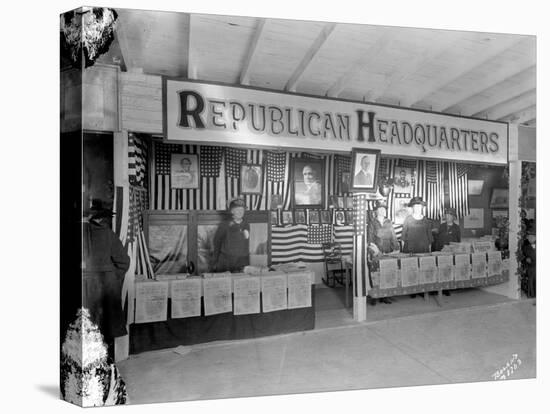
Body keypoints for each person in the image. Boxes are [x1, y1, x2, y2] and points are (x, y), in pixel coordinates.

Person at [82, 199, 130, 359]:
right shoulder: (108, 234)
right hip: (106, 286)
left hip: (85, 286)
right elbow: (123, 262)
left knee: (86, 323)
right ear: (103, 218)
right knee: (106, 325)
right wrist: (112, 277)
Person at [367, 200, 400, 304]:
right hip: (376, 252)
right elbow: (370, 239)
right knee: (375, 274)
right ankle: (374, 296)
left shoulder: (388, 222)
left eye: (384, 209)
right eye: (380, 209)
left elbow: (393, 236)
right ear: (376, 211)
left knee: (386, 273)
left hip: (388, 251)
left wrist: (396, 248)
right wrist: (374, 251)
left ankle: (385, 296)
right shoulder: (372, 223)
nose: (382, 211)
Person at [213, 198, 250, 272]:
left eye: (242, 210)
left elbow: (246, 242)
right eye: (237, 210)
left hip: (242, 261)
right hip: (227, 261)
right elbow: (216, 242)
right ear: (232, 211)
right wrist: (215, 261)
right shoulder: (224, 224)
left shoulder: (246, 224)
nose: (240, 212)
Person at [433, 207, 461, 296]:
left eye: (450, 215)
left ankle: (446, 288)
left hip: (450, 253)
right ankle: (437, 288)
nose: (447, 216)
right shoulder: (441, 226)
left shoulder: (456, 228)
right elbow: (437, 238)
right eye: (447, 215)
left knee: (448, 270)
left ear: (453, 217)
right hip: (440, 251)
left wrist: (452, 249)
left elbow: (458, 242)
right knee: (439, 270)